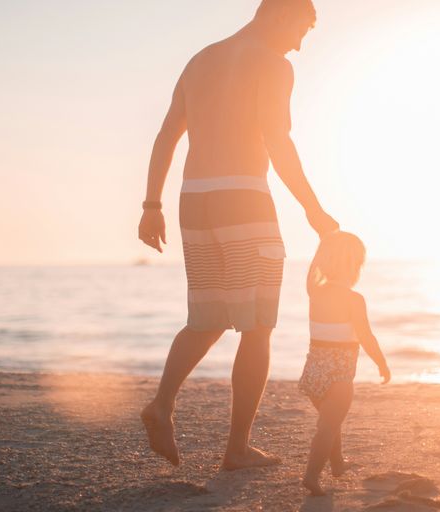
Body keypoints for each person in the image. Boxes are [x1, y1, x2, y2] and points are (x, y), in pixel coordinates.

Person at [137, 0, 339, 470]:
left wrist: (151, 205)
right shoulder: (274, 65)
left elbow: (167, 135)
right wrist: (314, 210)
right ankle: (237, 450)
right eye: (303, 29)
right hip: (244, 199)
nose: (301, 43)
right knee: (258, 325)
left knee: (207, 319)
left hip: (195, 201)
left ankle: (161, 403)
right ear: (283, 14)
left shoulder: (201, 59)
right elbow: (278, 142)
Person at [298, 231, 390, 495]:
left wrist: (323, 243)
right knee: (328, 426)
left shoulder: (315, 291)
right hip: (339, 374)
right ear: (355, 267)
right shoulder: (354, 300)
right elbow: (366, 336)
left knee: (331, 420)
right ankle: (311, 476)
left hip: (313, 372)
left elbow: (312, 270)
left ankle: (337, 464)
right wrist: (381, 363)